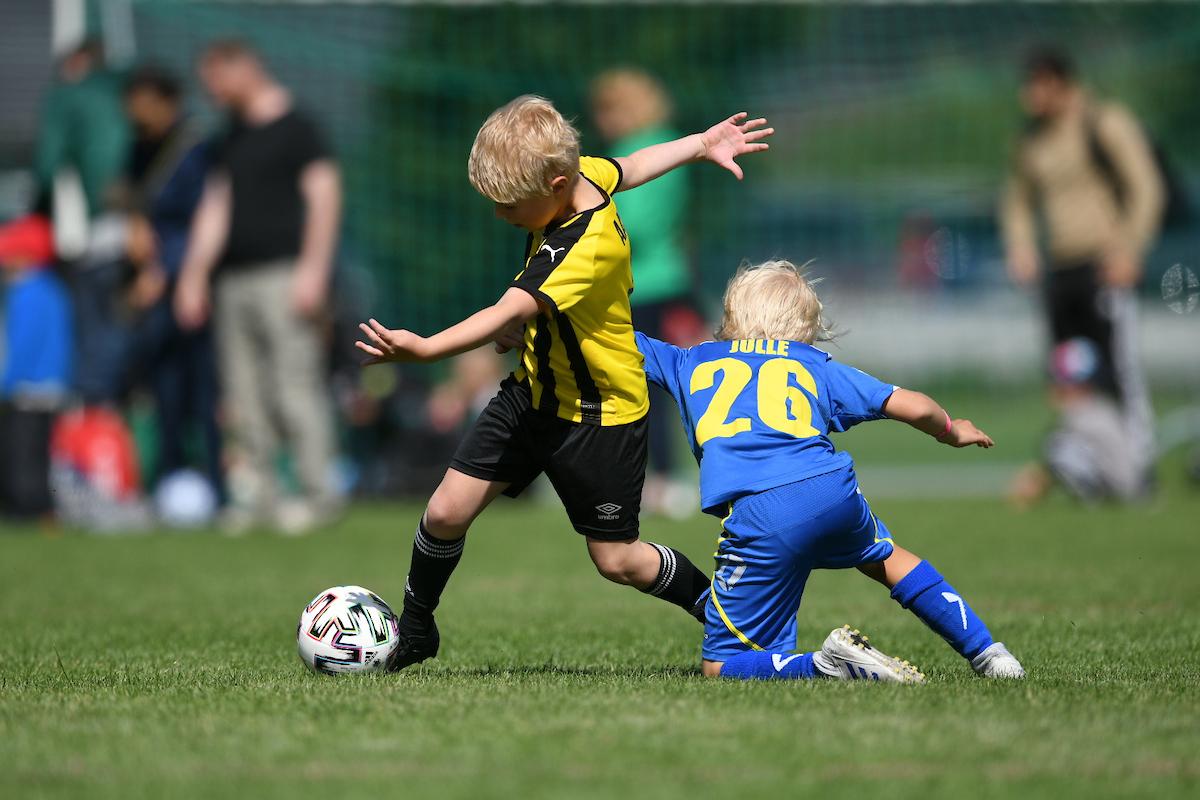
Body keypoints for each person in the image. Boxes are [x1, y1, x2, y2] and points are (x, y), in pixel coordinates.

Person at [354, 96, 772, 671]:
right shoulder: (582, 180)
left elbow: (506, 310)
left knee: (617, 560)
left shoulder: (584, 243)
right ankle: (417, 629)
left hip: (601, 413)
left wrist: (424, 349)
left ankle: (725, 617)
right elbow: (633, 166)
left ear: (554, 184)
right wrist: (700, 145)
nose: (500, 216)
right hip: (532, 393)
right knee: (445, 512)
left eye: (509, 206)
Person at [636, 261, 1025, 681]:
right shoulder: (814, 364)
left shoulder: (689, 362)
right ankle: (990, 654)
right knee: (887, 559)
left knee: (722, 666)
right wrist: (951, 431)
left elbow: (619, 342)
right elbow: (915, 404)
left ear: (729, 317)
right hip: (832, 491)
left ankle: (824, 665)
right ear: (807, 327)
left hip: (760, 512)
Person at [175, 39, 342, 534]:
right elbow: (216, 206)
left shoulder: (299, 128)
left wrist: (314, 269)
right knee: (243, 395)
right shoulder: (229, 136)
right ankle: (258, 497)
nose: (212, 93)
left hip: (285, 274)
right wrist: (193, 274)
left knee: (293, 385)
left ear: (244, 68)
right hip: (233, 281)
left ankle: (317, 494)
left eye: (216, 81)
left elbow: (324, 197)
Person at [1000, 46, 1163, 493]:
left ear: (1058, 83)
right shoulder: (1031, 140)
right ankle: (1085, 463)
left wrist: (1130, 248)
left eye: (1035, 85)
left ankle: (1138, 466)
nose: (1028, 96)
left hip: (1105, 266)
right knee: (1068, 373)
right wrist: (1021, 246)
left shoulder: (1104, 122)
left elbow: (1146, 186)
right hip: (1061, 270)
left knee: (1119, 368)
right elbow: (1016, 199)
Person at [591, 69, 703, 518]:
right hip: (652, 284)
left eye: (606, 109)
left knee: (650, 388)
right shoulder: (651, 148)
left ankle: (663, 479)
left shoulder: (645, 151)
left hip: (647, 288)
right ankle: (649, 478)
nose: (599, 120)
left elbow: (636, 225)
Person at [121, 65, 225, 505]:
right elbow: (135, 203)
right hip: (157, 288)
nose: (139, 122)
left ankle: (216, 490)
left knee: (205, 393)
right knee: (163, 390)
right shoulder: (139, 148)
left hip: (193, 284)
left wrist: (165, 270)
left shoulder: (197, 148)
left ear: (167, 102)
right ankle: (164, 483)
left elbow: (207, 219)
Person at [1009, 337, 1144, 507]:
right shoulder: (1099, 408)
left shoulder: (1082, 415)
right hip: (1126, 483)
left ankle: (1095, 499)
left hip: (1120, 487)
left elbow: (1053, 465)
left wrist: (1036, 480)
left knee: (1059, 447)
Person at [0, 215, 73, 519]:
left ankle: (26, 509)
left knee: (21, 455)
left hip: (26, 388)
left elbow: (22, 345)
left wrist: (5, 384)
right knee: (38, 453)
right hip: (52, 387)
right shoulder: (53, 290)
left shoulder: (26, 293)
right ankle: (40, 507)